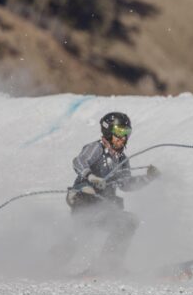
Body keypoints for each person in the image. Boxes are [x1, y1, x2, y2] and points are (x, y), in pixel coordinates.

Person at [54, 112, 161, 275]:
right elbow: (79, 161)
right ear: (108, 131)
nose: (123, 138)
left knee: (128, 222)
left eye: (126, 133)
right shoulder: (97, 149)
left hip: (105, 205)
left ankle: (110, 263)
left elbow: (126, 184)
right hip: (85, 200)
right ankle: (48, 263)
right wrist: (91, 176)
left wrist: (148, 178)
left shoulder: (121, 159)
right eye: (119, 132)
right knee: (81, 236)